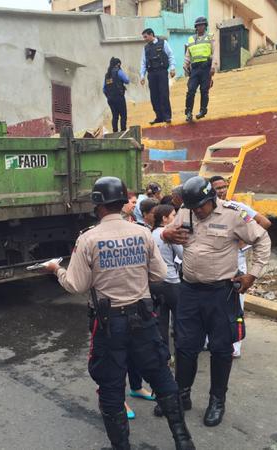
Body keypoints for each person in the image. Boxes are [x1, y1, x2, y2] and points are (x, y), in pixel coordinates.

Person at [45, 176, 195, 450]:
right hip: (144, 319)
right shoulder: (141, 233)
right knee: (161, 375)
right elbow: (159, 274)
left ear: (97, 204)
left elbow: (76, 285)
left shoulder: (88, 238)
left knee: (111, 385)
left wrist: (57, 270)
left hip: (108, 324)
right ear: (123, 202)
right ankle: (183, 440)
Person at [161, 176, 271, 427]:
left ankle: (217, 401)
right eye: (193, 207)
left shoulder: (233, 214)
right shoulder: (186, 210)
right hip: (188, 291)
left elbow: (262, 239)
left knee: (221, 349)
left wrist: (252, 274)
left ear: (212, 199)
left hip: (220, 294)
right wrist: (167, 233)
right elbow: (169, 234)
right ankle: (182, 394)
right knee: (186, 346)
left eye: (201, 205)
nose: (197, 211)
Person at [209, 176, 271, 357]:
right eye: (217, 188)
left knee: (235, 304)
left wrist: (243, 244)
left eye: (224, 187)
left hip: (236, 263)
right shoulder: (206, 211)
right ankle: (211, 341)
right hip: (215, 263)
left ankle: (234, 346)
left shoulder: (237, 208)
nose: (221, 190)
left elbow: (265, 223)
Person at [150, 204, 183, 348]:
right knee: (179, 319)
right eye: (173, 215)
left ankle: (164, 356)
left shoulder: (150, 234)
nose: (175, 218)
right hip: (171, 281)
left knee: (161, 321)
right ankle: (180, 351)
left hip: (155, 282)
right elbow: (182, 254)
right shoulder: (169, 233)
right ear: (164, 218)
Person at [140, 28, 176, 125]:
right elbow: (143, 63)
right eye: (144, 37)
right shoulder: (146, 48)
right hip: (151, 74)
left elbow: (170, 55)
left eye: (145, 37)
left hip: (162, 72)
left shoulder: (163, 43)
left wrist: (172, 68)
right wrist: (142, 76)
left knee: (164, 94)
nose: (145, 39)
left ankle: (167, 116)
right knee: (154, 96)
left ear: (151, 34)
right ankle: (159, 116)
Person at [183, 17, 216, 122]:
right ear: (195, 27)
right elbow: (188, 54)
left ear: (205, 26)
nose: (199, 27)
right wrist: (185, 65)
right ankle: (188, 112)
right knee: (191, 90)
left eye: (201, 25)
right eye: (198, 25)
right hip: (195, 69)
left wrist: (213, 66)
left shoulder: (210, 37)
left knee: (204, 90)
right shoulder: (191, 39)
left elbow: (215, 52)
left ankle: (203, 110)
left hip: (206, 68)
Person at [104, 57, 130, 133]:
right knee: (123, 115)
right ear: (118, 64)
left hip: (110, 99)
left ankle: (115, 132)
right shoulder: (118, 71)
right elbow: (127, 80)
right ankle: (123, 131)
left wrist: (109, 96)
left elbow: (104, 89)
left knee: (115, 116)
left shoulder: (107, 75)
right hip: (119, 97)